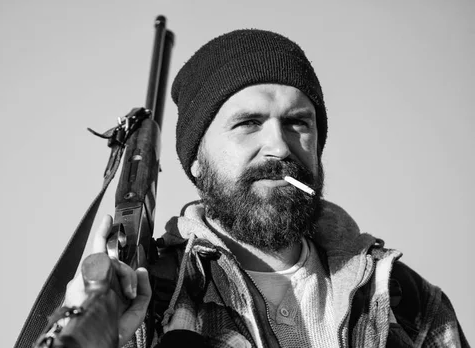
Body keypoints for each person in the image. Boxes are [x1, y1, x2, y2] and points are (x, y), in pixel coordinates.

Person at [64, 29, 469, 347]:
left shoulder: (407, 301)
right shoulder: (149, 295)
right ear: (197, 161)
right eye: (248, 124)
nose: (278, 147)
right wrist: (87, 327)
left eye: (298, 122)